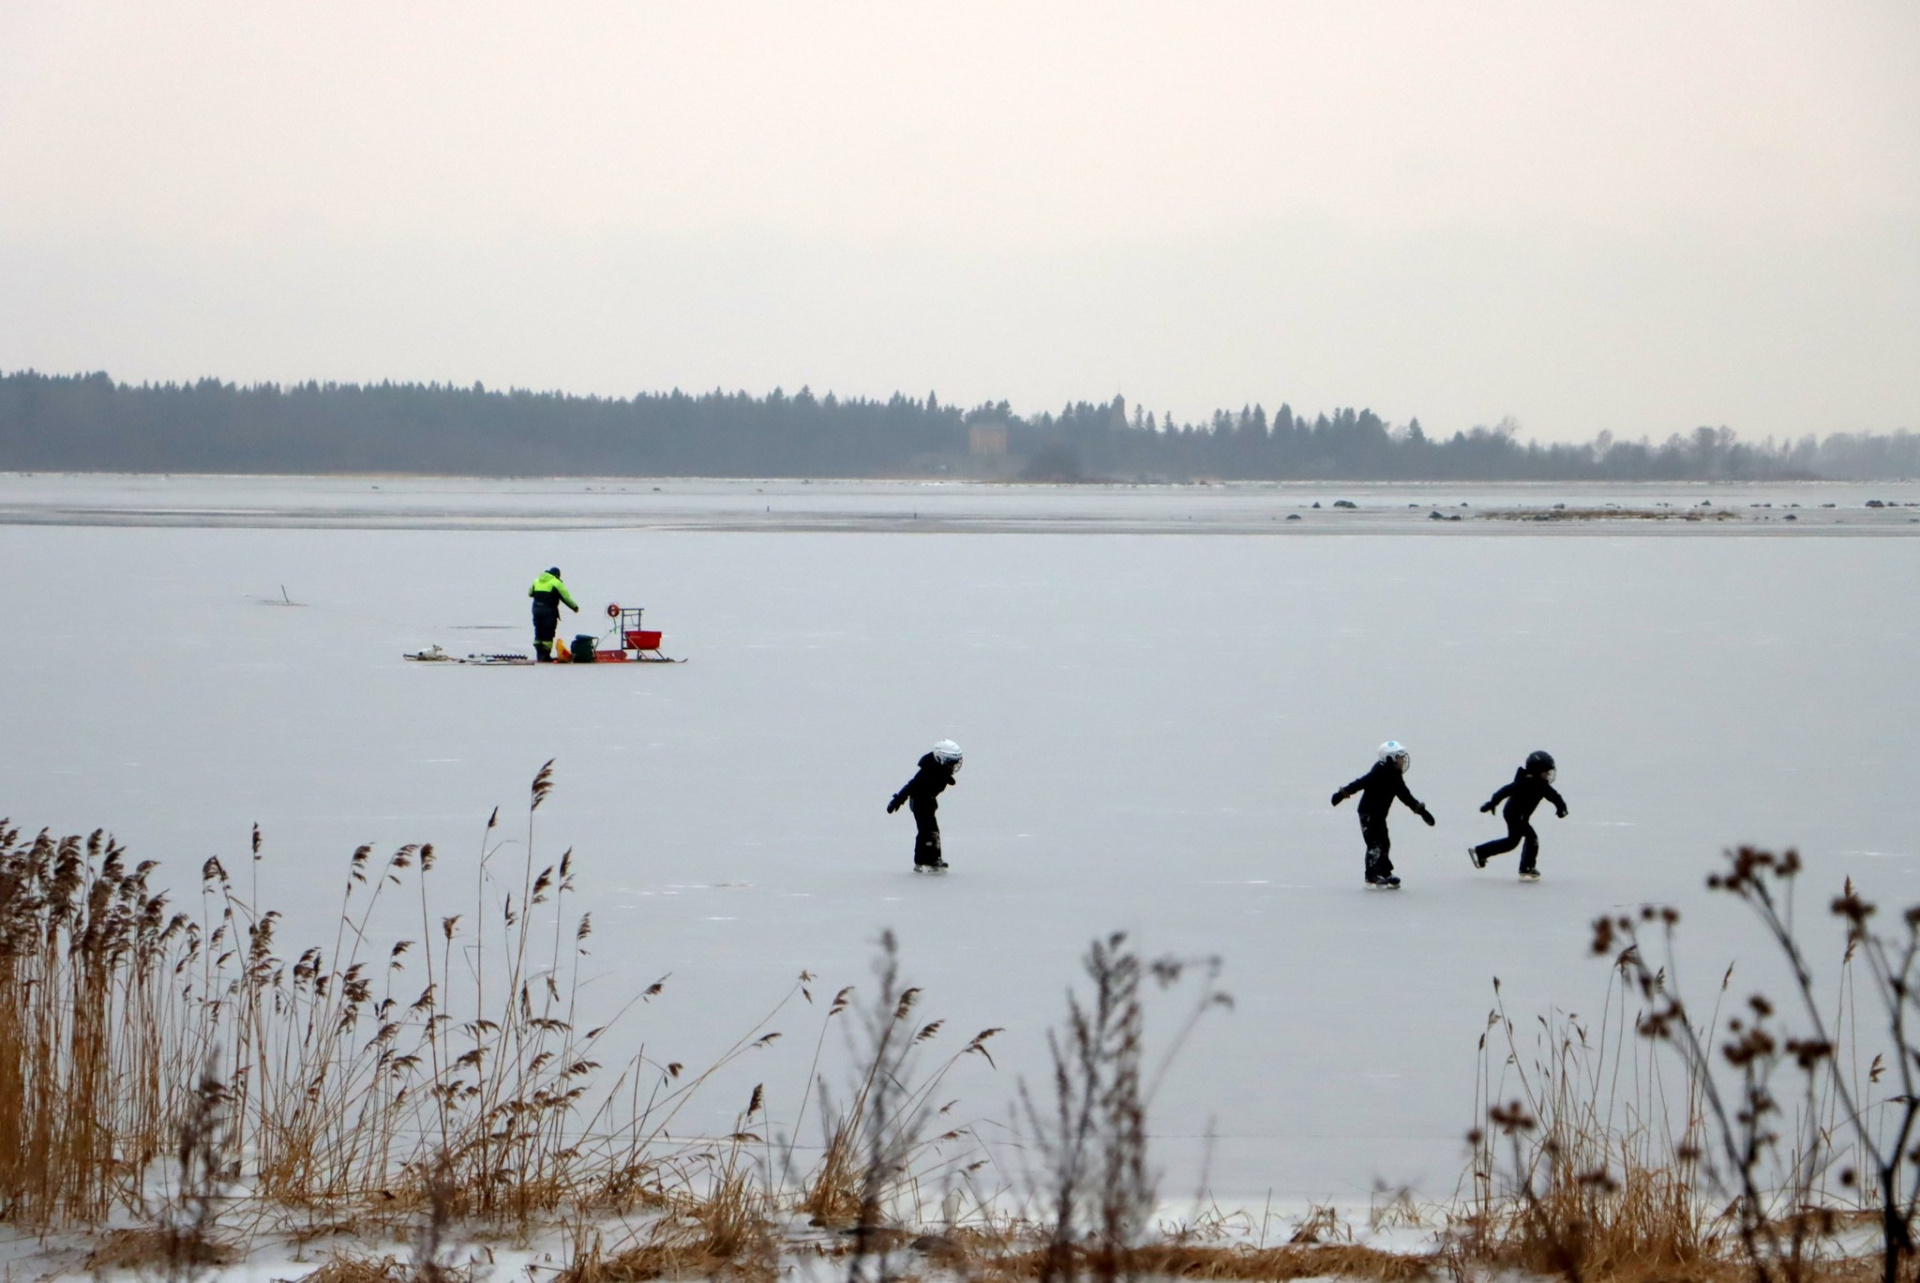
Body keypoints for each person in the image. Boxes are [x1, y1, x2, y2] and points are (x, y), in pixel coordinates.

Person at [1330, 741, 1434, 888]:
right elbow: (1360, 783)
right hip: (1368, 814)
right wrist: (1341, 794)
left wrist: (1422, 811)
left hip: (1379, 815)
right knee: (1374, 845)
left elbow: (1406, 796)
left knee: (1384, 843)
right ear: (1390, 759)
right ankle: (1371, 875)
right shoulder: (1378, 773)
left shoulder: (1395, 777)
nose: (1403, 760)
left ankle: (1385, 872)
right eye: (1400, 757)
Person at [1468, 750, 1567, 881]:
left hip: (1520, 816)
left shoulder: (1542, 786)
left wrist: (1561, 808)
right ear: (1537, 771)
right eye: (1546, 771)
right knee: (1532, 838)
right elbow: (1504, 791)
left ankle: (1481, 852)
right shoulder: (1524, 783)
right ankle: (1527, 867)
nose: (1548, 774)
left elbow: (1555, 797)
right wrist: (1492, 803)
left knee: (1512, 842)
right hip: (1513, 814)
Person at [887, 740, 963, 870]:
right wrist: (897, 800)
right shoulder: (927, 772)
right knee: (926, 831)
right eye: (951, 763)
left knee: (933, 831)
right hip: (919, 803)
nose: (953, 766)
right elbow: (911, 786)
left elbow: (939, 779)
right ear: (942, 759)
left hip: (929, 801)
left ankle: (933, 859)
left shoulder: (941, 769)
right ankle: (922, 860)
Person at [527, 567, 579, 662]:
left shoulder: (537, 581)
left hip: (536, 610)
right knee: (548, 632)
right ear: (557, 575)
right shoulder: (556, 583)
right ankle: (545, 656)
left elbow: (530, 593)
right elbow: (565, 597)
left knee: (539, 631)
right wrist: (575, 607)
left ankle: (539, 655)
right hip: (549, 612)